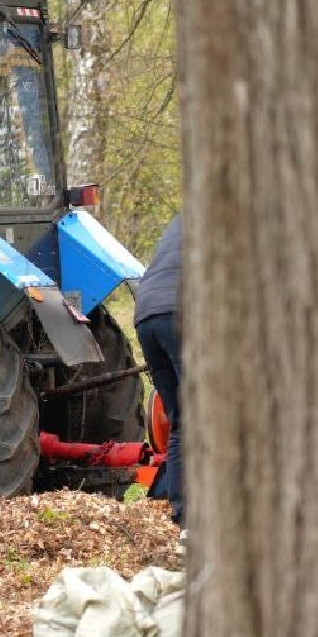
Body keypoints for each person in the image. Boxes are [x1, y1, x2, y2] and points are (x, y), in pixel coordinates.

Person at [134, 214, 184, 529]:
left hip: (146, 314)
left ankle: (182, 517)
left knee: (184, 421)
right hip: (181, 311)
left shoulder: (180, 220)